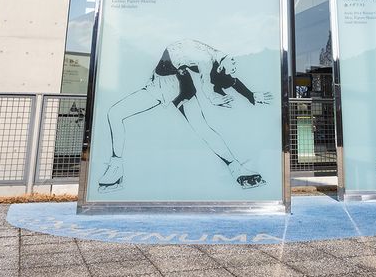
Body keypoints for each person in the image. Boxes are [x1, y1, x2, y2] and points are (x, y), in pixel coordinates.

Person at [95, 39, 272, 191]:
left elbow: (215, 84)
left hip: (171, 83)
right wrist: (247, 96)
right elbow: (219, 82)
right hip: (174, 80)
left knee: (115, 113)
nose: (235, 64)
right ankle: (236, 168)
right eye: (232, 65)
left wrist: (245, 96)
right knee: (115, 114)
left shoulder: (210, 62)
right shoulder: (213, 57)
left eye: (232, 66)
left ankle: (116, 168)